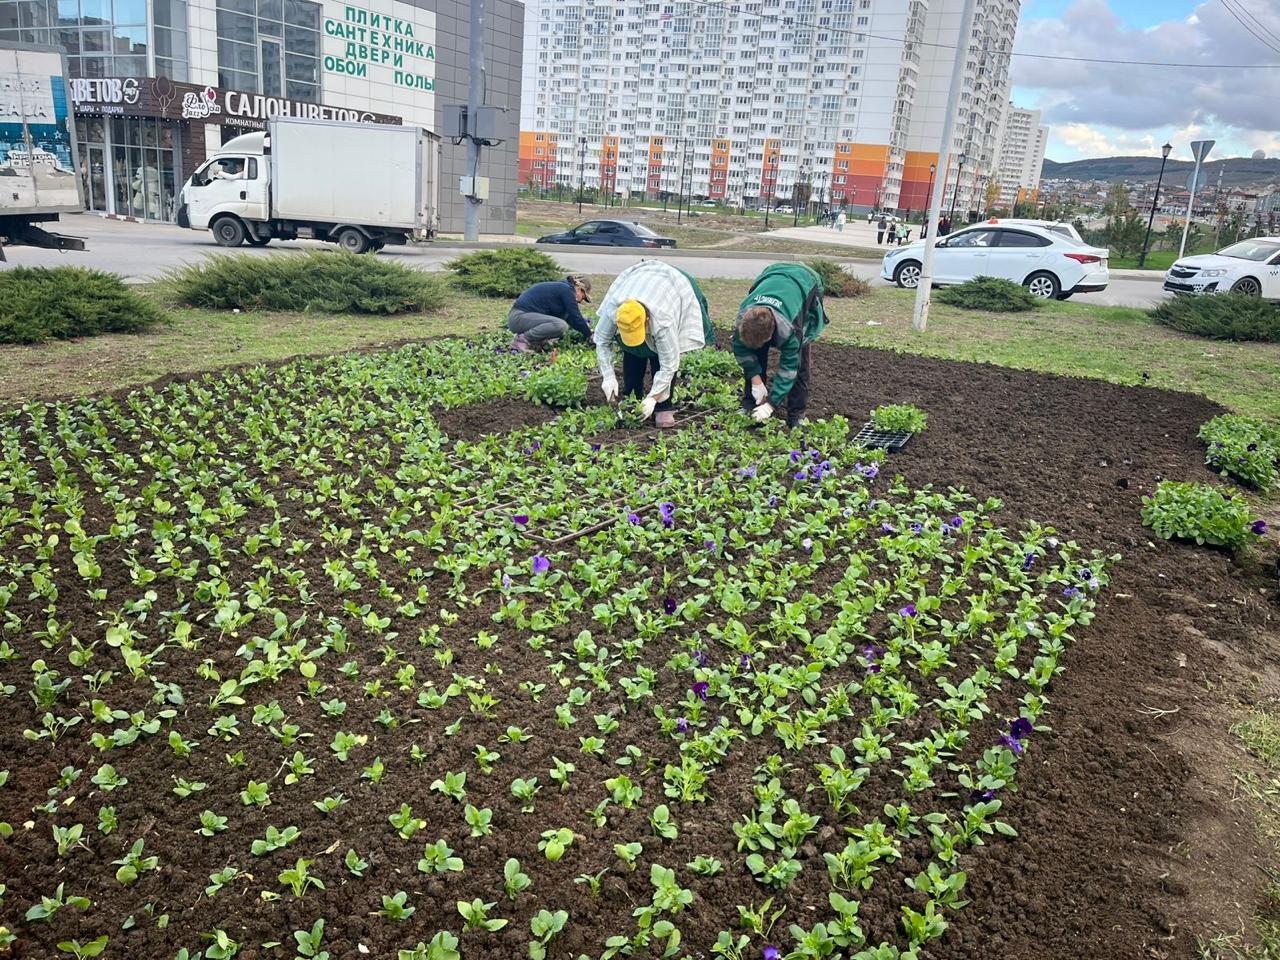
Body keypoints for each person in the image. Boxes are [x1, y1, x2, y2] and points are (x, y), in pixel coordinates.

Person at [595, 260, 713, 428]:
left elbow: (669, 364)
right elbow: (601, 341)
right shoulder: (615, 310)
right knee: (633, 350)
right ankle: (632, 396)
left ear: (647, 319)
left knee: (660, 355)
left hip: (673, 284)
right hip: (638, 278)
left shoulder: (663, 320)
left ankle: (663, 406)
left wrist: (653, 398)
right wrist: (608, 376)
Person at [733, 262, 827, 429]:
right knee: (755, 354)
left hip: (806, 282)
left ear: (771, 336)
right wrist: (756, 380)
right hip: (772, 273)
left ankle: (796, 414)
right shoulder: (744, 319)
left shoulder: (791, 329)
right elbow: (741, 349)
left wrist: (771, 404)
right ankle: (751, 405)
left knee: (801, 362)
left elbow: (789, 369)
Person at [507, 275, 593, 353]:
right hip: (519, 317)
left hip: (523, 319)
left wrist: (588, 333)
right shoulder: (566, 290)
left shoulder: (562, 289)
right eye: (583, 297)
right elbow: (576, 316)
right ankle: (521, 341)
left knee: (561, 322)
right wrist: (590, 335)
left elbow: (571, 319)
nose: (580, 301)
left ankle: (535, 343)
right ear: (579, 287)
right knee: (559, 325)